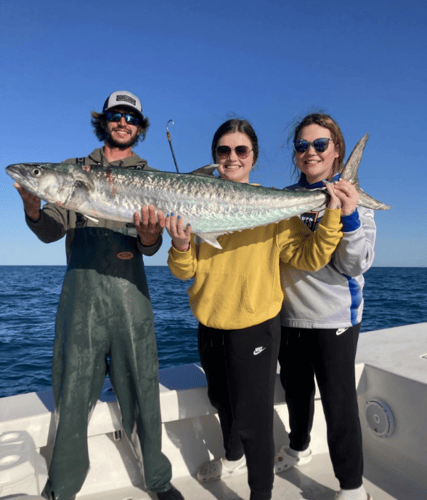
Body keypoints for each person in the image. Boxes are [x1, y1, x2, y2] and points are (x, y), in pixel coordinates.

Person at [163, 118, 347, 500]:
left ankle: (260, 493)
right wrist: (180, 246)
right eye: (223, 151)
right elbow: (186, 271)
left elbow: (309, 256)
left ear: (253, 157)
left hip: (256, 326)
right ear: (214, 157)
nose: (232, 158)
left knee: (253, 419)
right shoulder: (193, 199)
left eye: (241, 150)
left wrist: (333, 215)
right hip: (210, 323)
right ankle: (232, 457)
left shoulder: (272, 205)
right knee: (221, 401)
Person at [13, 91, 184, 500]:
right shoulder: (74, 171)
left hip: (130, 293)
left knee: (144, 387)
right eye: (115, 115)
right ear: (103, 121)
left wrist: (149, 235)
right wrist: (34, 208)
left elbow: (150, 247)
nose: (122, 122)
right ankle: (63, 486)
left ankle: (157, 479)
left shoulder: (152, 178)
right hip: (81, 294)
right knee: (72, 391)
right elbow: (53, 229)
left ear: (138, 127)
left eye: (130, 117)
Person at [275, 113, 374, 500]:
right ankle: (299, 447)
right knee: (296, 392)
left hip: (334, 319)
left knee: (339, 403)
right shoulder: (283, 199)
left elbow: (355, 264)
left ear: (337, 152)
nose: (310, 152)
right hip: (288, 318)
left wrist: (347, 215)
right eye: (302, 145)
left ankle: (352, 486)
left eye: (320, 144)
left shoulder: (358, 204)